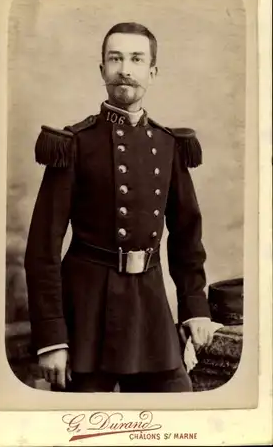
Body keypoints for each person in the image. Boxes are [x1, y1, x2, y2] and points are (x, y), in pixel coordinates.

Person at [24, 22, 215, 393]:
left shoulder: (168, 144)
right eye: (115, 58)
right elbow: (42, 249)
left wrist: (194, 306)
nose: (125, 68)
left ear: (152, 72)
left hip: (150, 308)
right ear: (102, 70)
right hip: (87, 309)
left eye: (136, 59)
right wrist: (52, 338)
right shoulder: (74, 143)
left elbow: (187, 236)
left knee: (179, 409)